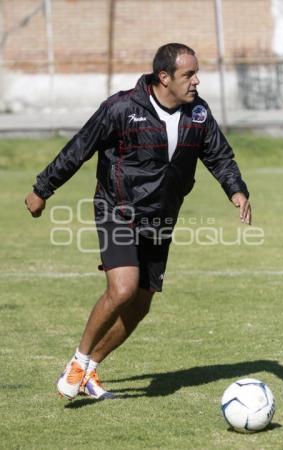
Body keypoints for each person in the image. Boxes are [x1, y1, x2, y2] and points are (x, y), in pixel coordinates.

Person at [25, 43, 251, 401]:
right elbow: (80, 146)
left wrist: (236, 190)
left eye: (196, 73)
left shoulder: (199, 114)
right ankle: (78, 361)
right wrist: (43, 188)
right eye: (188, 74)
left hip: (161, 215)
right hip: (118, 208)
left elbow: (219, 155)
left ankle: (91, 369)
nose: (196, 81)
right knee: (123, 289)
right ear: (164, 77)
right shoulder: (122, 108)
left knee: (142, 303)